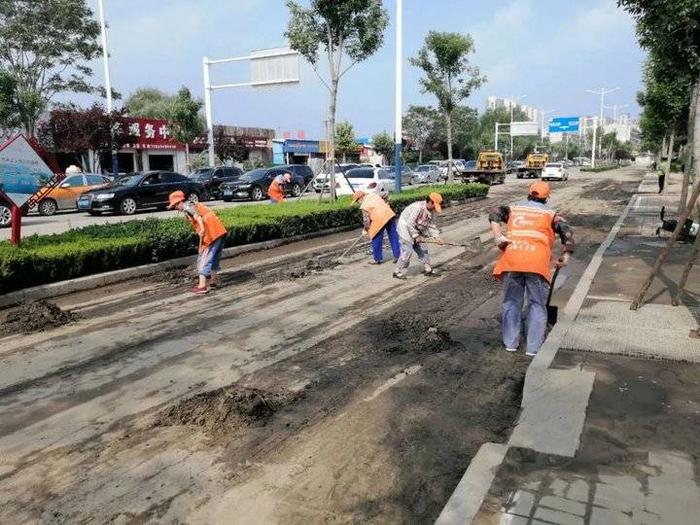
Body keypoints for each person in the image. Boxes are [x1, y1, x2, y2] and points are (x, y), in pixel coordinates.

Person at [489, 181, 575, 357]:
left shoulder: (514, 209)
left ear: (529, 194)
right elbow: (567, 232)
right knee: (536, 304)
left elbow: (494, 213)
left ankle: (511, 343)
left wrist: (498, 237)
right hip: (536, 264)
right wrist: (566, 256)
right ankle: (533, 348)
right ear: (546, 198)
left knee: (511, 302)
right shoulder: (550, 214)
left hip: (512, 261)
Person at [168, 190, 227, 295]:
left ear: (180, 202)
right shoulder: (194, 204)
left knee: (203, 258)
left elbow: (197, 217)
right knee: (214, 256)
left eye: (175, 205)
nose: (176, 208)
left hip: (211, 233)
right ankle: (213, 281)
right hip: (219, 230)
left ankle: (202, 286)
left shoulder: (187, 207)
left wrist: (202, 229)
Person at [393, 192, 444, 280]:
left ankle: (428, 269)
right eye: (434, 206)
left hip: (416, 227)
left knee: (423, 248)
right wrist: (416, 236)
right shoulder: (418, 208)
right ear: (430, 202)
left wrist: (437, 237)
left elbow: (431, 225)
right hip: (405, 227)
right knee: (407, 251)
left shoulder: (431, 211)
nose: (434, 209)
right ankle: (397, 271)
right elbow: (410, 223)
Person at [352, 189, 400, 264]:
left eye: (357, 201)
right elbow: (386, 193)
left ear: (360, 198)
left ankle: (377, 259)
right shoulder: (374, 195)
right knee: (393, 236)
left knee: (376, 238)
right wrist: (387, 202)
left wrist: (365, 230)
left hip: (379, 219)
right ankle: (398, 256)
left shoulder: (364, 206)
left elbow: (366, 221)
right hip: (389, 214)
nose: (358, 203)